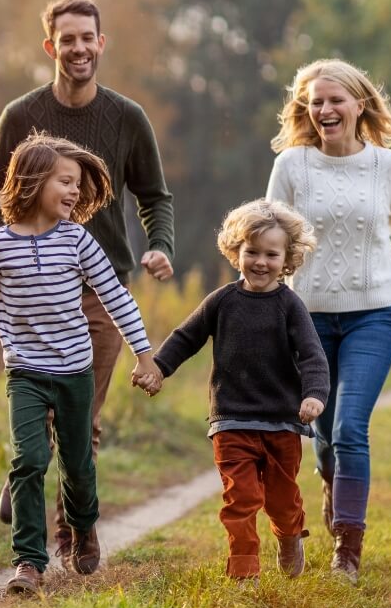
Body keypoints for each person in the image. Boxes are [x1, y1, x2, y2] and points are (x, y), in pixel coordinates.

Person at [0, 0, 175, 562]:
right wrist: (4, 254)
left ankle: (75, 534)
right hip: (31, 288)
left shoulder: (127, 117)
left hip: (102, 285)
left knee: (82, 418)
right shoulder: (19, 115)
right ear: (51, 47)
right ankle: (27, 472)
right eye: (68, 39)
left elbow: (155, 197)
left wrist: (159, 246)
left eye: (88, 38)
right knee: (34, 406)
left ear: (101, 43)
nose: (79, 48)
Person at [0, 134, 163, 595]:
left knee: (77, 464)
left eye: (78, 184)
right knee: (29, 460)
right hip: (26, 373)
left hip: (75, 370)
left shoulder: (77, 240)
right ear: (34, 181)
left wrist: (144, 353)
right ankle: (28, 563)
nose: (75, 192)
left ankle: (81, 528)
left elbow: (116, 297)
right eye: (66, 181)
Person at [264, 58, 391, 584]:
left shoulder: (389, 167)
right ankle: (332, 483)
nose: (325, 109)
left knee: (349, 426)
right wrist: (260, 304)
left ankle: (347, 548)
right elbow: (270, 236)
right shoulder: (293, 166)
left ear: (359, 104)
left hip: (374, 314)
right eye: (315, 102)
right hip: (309, 321)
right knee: (322, 433)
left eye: (335, 99)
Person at [136, 198, 329, 581]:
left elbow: (312, 357)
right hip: (231, 419)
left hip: (281, 422)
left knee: (280, 500)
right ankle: (244, 571)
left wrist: (314, 395)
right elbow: (185, 337)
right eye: (251, 252)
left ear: (287, 258)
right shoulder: (222, 301)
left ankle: (289, 536)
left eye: (271, 254)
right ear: (234, 251)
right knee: (240, 500)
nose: (260, 262)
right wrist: (157, 368)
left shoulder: (290, 306)